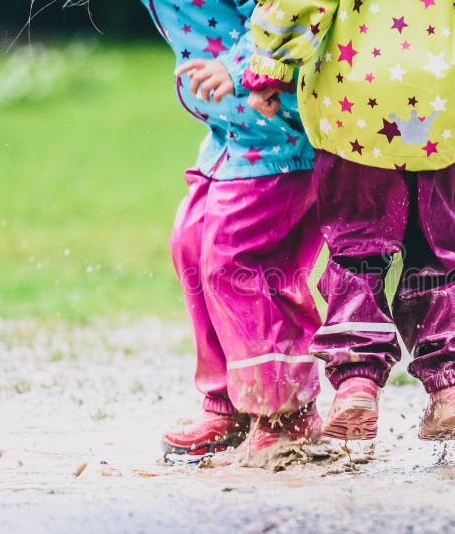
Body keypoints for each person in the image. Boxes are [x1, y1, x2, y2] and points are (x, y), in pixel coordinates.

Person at [244, 0, 455, 441]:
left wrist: (274, 59)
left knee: (357, 250)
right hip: (443, 103)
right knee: (438, 252)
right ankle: (454, 385)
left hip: (356, 103)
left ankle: (357, 383)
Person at [141, 0, 324, 460]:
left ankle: (286, 413)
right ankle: (230, 401)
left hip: (277, 133)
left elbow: (287, 8)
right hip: (232, 136)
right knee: (191, 242)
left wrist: (237, 64)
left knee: (235, 257)